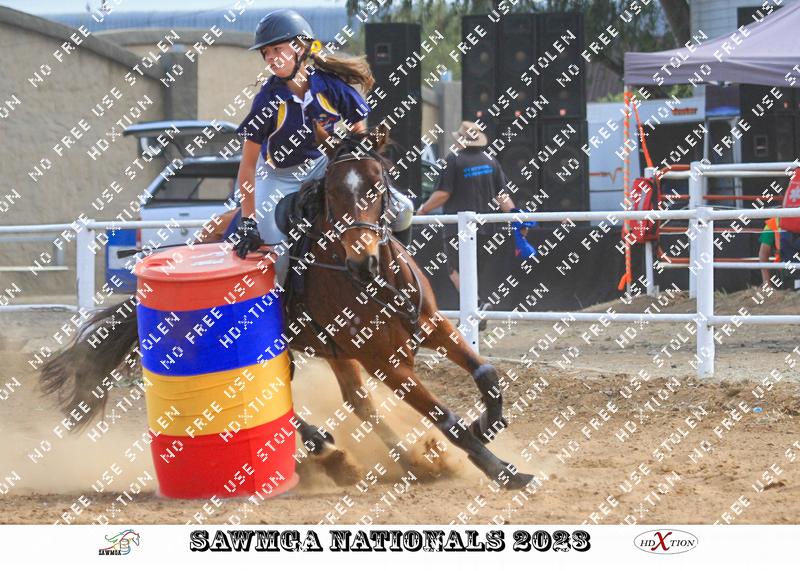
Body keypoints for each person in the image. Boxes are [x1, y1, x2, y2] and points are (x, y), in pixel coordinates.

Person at [232, 9, 413, 279]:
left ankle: (398, 272)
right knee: (276, 257)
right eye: (265, 52)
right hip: (276, 176)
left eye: (277, 49)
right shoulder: (266, 101)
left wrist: (353, 163)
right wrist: (249, 221)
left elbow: (358, 133)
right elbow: (247, 166)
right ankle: (281, 303)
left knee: (404, 210)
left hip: (321, 166)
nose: (270, 57)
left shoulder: (330, 86)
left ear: (300, 48)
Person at [416, 120, 516, 329]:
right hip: (487, 229)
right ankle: (471, 315)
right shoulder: (491, 161)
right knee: (473, 272)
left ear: (461, 140)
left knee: (455, 272)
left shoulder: (454, 160)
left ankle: (476, 307)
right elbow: (502, 197)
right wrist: (516, 218)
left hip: (457, 230)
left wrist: (423, 210)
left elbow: (443, 194)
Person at [758, 217, 781, 285]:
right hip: (785, 271)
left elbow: (763, 254)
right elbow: (763, 254)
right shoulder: (773, 223)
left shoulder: (773, 222)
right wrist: (766, 283)